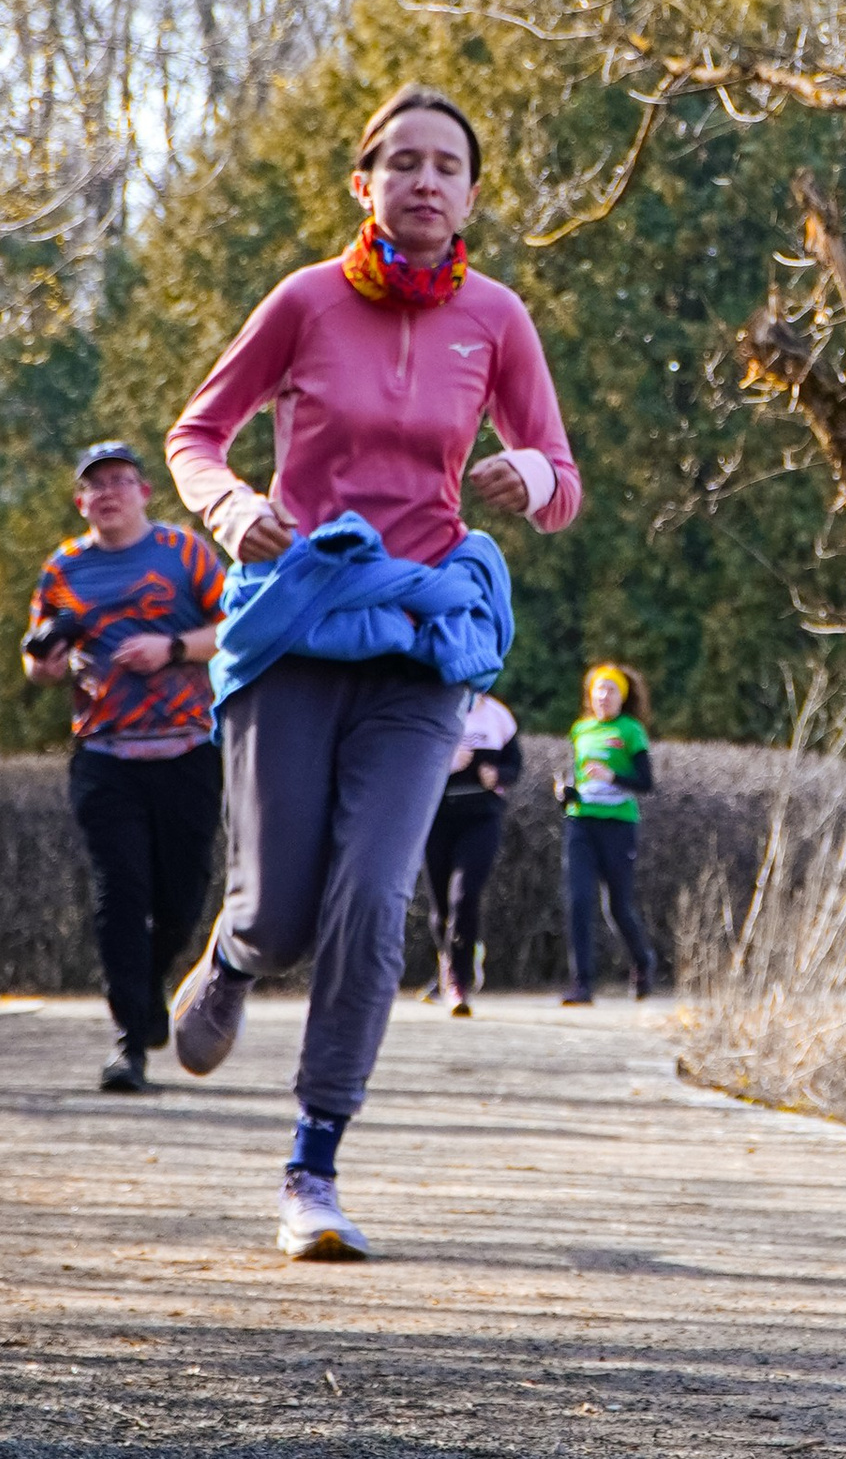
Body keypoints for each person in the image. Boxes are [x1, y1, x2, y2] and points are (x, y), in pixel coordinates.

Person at [164, 86, 578, 1258]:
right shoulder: (303, 301)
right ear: (365, 184)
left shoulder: (494, 318)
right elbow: (195, 437)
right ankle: (238, 950)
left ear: (473, 193)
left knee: (376, 895)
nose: (426, 182)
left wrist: (532, 483)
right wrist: (233, 504)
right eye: (402, 162)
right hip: (298, 624)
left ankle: (313, 1165)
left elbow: (557, 467)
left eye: (448, 165)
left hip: (420, 644)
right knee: (288, 911)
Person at [21, 441, 227, 1094]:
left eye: (119, 481)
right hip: (105, 754)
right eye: (94, 485)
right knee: (119, 895)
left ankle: (150, 988)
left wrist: (170, 647)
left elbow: (237, 627)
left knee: (182, 895)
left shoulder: (185, 553)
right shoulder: (64, 569)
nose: (107, 493)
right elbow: (38, 659)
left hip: (187, 749)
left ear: (144, 492)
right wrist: (46, 666)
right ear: (81, 501)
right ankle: (128, 1042)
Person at [560, 663, 659, 1002]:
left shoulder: (631, 731)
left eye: (611, 689)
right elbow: (579, 779)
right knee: (579, 901)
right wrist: (566, 794)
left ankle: (643, 962)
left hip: (618, 825)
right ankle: (581, 984)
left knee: (617, 906)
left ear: (623, 696)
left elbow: (646, 783)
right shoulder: (581, 730)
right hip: (581, 823)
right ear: (590, 695)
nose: (604, 696)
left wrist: (612, 777)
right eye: (598, 689)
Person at [417, 693, 522, 1010]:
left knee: (463, 897)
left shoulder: (498, 715)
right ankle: (451, 962)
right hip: (436, 817)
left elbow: (515, 764)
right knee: (441, 909)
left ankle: (458, 985)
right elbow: (413, 762)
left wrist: (498, 776)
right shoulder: (433, 705)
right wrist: (447, 763)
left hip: (481, 817)